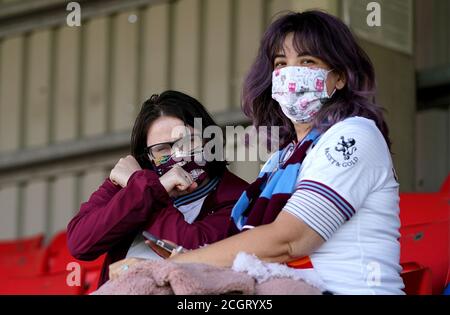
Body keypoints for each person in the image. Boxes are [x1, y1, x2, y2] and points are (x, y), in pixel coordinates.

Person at [164, 11, 404, 295]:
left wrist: (177, 265)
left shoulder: (354, 135)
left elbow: (290, 240)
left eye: (306, 61)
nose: (291, 73)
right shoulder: (280, 160)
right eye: (281, 63)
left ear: (339, 77)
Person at [67, 90, 248, 287]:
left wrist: (149, 191)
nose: (178, 155)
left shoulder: (239, 197)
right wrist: (142, 187)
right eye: (163, 149)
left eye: (188, 142)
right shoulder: (132, 182)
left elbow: (196, 251)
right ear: (148, 158)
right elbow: (80, 243)